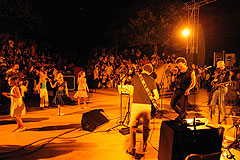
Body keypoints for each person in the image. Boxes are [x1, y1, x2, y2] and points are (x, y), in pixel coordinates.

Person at [126, 64, 159, 156]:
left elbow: (131, 93)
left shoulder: (135, 78)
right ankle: (144, 146)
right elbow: (156, 97)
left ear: (143, 69)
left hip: (136, 105)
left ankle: (132, 148)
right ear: (151, 72)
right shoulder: (152, 81)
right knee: (146, 127)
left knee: (133, 127)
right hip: (147, 106)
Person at [170, 57, 196, 123]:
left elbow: (193, 82)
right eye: (178, 66)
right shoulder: (178, 71)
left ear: (185, 63)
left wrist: (188, 89)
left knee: (183, 107)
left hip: (185, 90)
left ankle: (182, 117)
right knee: (172, 104)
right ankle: (181, 114)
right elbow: (173, 81)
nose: (179, 67)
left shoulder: (191, 71)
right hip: (178, 89)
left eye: (180, 66)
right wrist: (174, 75)